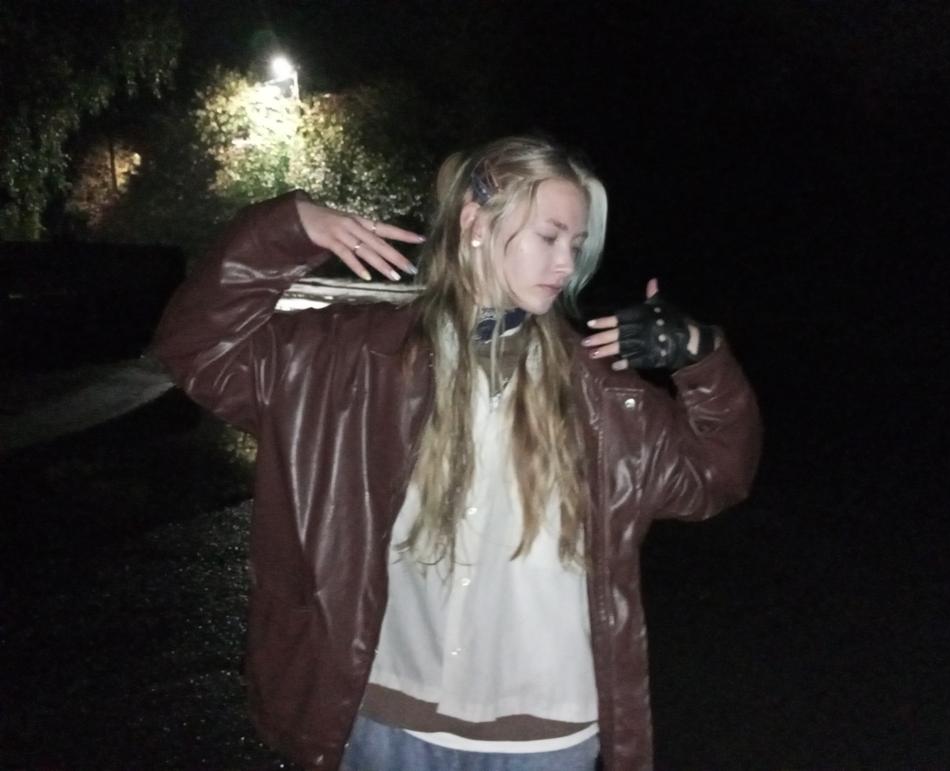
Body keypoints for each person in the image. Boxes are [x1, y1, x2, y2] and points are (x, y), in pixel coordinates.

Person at [151, 136, 761, 771]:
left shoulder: (605, 393)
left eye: (575, 245)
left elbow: (715, 477)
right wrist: (285, 230)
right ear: (475, 223)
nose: (565, 263)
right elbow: (197, 349)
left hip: (544, 742)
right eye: (548, 237)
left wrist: (703, 359)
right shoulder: (352, 361)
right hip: (381, 724)